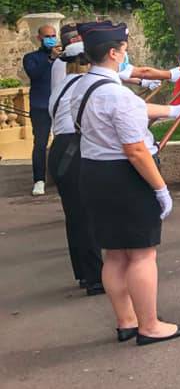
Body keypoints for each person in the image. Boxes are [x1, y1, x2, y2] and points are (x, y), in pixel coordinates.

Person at [71, 21, 180, 346]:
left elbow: (134, 110)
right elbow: (136, 150)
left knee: (114, 254)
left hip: (94, 173)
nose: (127, 55)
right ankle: (150, 325)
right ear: (113, 53)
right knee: (141, 254)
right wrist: (161, 189)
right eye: (124, 50)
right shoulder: (116, 94)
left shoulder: (82, 86)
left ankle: (126, 321)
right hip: (125, 177)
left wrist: (171, 110)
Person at [47, 36, 104, 295]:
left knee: (75, 216)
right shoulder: (86, 84)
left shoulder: (62, 84)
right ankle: (96, 278)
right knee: (89, 214)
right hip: (76, 147)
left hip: (60, 149)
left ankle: (84, 273)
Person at [23, 24, 61, 195]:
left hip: (60, 106)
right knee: (40, 143)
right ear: (39, 38)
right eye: (47, 36)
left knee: (65, 141)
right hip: (41, 106)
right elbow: (35, 75)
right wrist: (50, 59)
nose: (51, 38)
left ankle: (61, 175)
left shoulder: (62, 57)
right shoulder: (31, 58)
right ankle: (39, 180)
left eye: (53, 35)